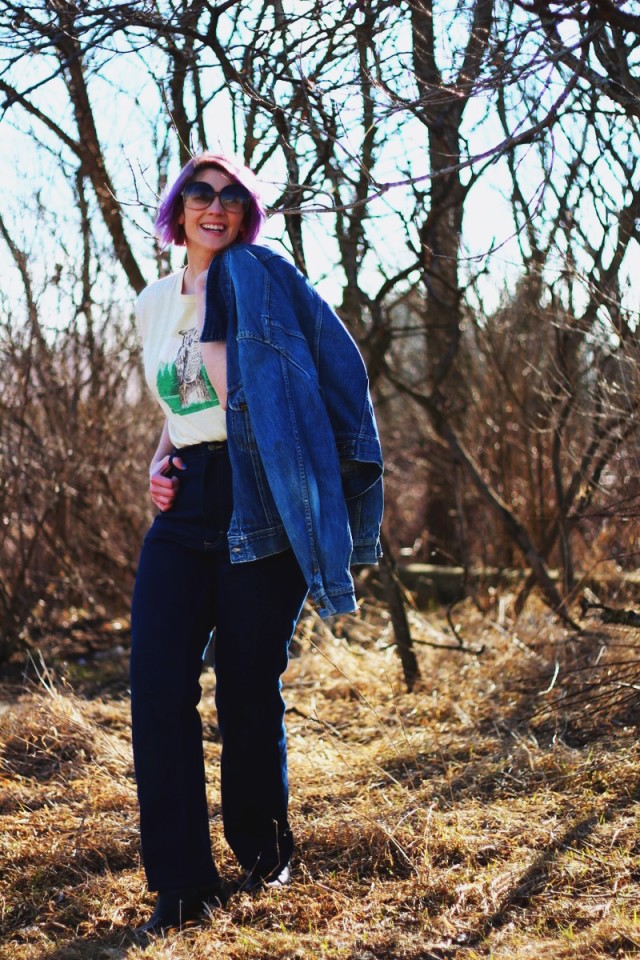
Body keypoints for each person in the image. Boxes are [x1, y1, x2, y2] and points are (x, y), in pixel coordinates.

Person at [130, 152, 383, 934]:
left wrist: (340, 489)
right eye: (201, 193)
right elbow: (186, 404)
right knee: (155, 685)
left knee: (247, 685)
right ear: (179, 209)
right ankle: (181, 884)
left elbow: (332, 377)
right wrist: (160, 456)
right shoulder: (149, 302)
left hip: (260, 499)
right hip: (186, 506)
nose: (216, 206)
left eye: (232, 197)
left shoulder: (264, 281)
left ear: (245, 214)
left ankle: (264, 855)